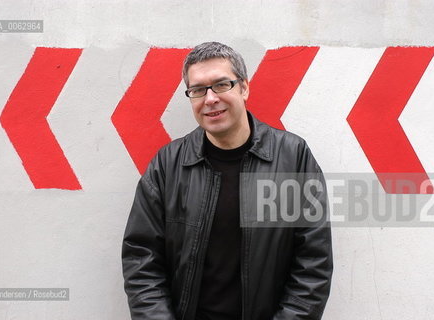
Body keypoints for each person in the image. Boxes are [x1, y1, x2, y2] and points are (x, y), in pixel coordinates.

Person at [122, 41, 333, 320]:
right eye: (198, 90)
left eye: (222, 85)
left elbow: (313, 263)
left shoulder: (293, 158)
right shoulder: (168, 164)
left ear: (243, 87)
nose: (210, 99)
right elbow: (141, 259)